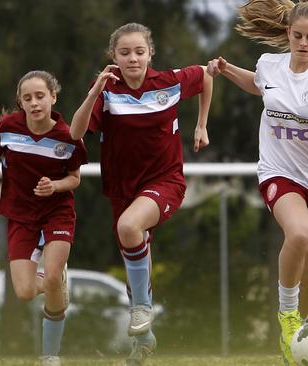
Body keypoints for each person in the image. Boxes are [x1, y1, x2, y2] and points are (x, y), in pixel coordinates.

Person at [207, 1, 308, 364]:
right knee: (298, 233)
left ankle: (297, 336)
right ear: (288, 34)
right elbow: (259, 85)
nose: (303, 42)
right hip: (278, 170)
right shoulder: (270, 64)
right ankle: (287, 316)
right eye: (297, 35)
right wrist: (226, 70)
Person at [69, 22, 213, 366]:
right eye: (124, 52)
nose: (132, 58)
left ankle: (141, 310)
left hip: (165, 181)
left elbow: (207, 75)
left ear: (150, 53)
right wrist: (95, 92)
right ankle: (144, 343)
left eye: (139, 51)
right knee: (137, 260)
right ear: (113, 56)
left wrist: (201, 124)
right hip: (122, 187)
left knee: (130, 228)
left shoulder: (169, 82)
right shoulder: (106, 89)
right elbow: (75, 132)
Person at [0, 70, 88, 366]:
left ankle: (49, 356)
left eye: (40, 96)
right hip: (20, 216)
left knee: (53, 277)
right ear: (20, 102)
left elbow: (75, 178)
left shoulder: (68, 136)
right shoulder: (8, 127)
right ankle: (52, 281)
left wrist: (54, 186)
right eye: (27, 98)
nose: (34, 103)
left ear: (53, 98)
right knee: (25, 292)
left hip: (57, 212)